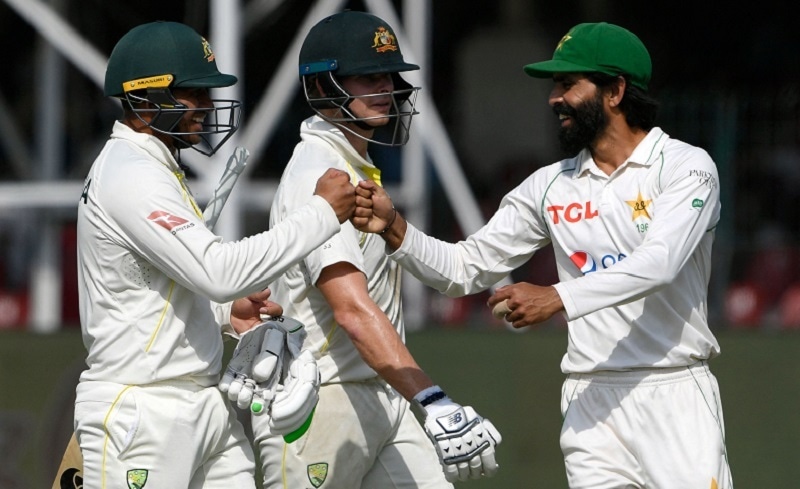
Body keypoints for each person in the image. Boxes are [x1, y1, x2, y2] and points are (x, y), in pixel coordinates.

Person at [354, 21, 733, 489]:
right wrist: (396, 229)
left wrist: (557, 297)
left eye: (569, 84)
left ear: (615, 90)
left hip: (674, 393)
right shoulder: (550, 184)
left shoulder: (686, 167)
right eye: (555, 85)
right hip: (590, 402)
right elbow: (465, 267)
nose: (555, 98)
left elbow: (660, 263)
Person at [75, 21, 356, 488]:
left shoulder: (155, 166)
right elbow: (219, 270)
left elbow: (165, 283)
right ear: (146, 98)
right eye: (194, 94)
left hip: (201, 405)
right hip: (142, 412)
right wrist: (322, 213)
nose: (207, 108)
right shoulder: (129, 173)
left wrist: (227, 313)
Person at [250, 10, 501, 488]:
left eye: (389, 75)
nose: (386, 87)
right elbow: (350, 309)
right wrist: (432, 399)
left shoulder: (357, 168)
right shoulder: (320, 176)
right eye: (368, 77)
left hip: (380, 394)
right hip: (320, 403)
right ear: (323, 88)